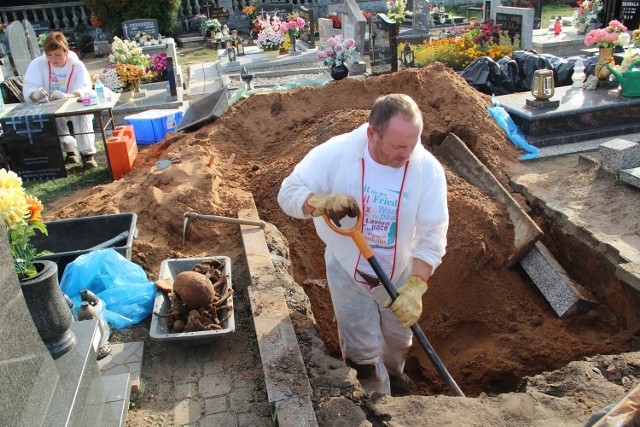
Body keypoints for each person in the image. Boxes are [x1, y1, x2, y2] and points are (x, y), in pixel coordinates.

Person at [278, 94, 449, 395]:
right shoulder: (338, 153)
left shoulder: (427, 170)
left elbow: (433, 231)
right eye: (399, 146)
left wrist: (417, 284)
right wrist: (317, 202)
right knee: (362, 354)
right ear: (372, 133)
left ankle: (395, 378)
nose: (408, 154)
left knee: (398, 342)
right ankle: (374, 401)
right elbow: (289, 191)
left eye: (413, 144)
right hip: (348, 271)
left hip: (399, 274)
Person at [23, 31, 98, 169]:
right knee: (53, 118)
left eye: (58, 55)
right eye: (49, 55)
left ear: (66, 52)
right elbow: (28, 90)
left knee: (82, 116)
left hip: (74, 102)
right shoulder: (38, 64)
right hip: (49, 104)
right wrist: (37, 94)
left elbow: (85, 87)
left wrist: (67, 96)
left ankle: (87, 154)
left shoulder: (76, 65)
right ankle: (69, 150)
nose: (54, 59)